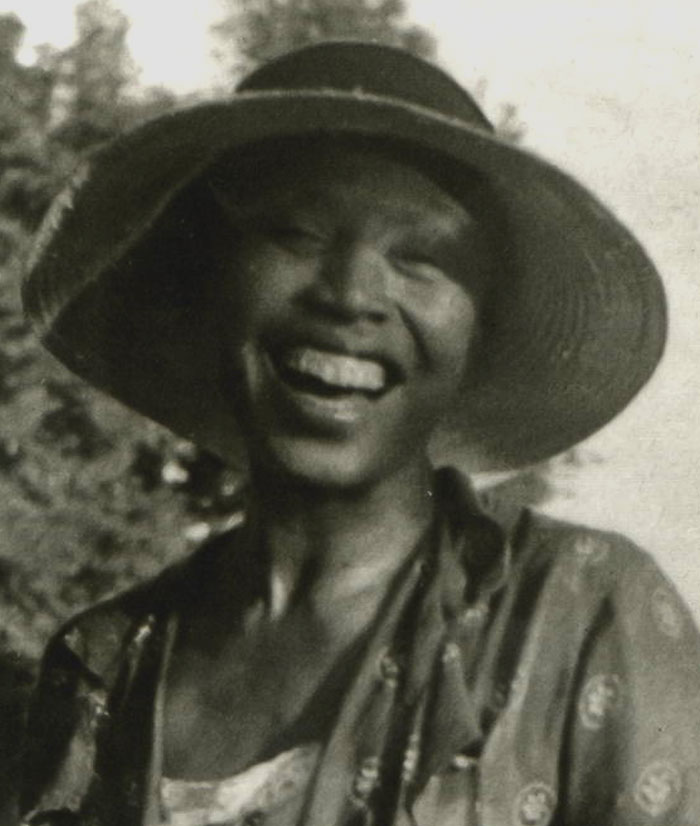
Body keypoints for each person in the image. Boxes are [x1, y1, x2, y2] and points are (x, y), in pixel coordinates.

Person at [15, 41, 700, 826]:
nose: (350, 296)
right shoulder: (104, 665)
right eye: (297, 234)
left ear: (479, 329)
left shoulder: (579, 614)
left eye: (423, 258)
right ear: (210, 282)